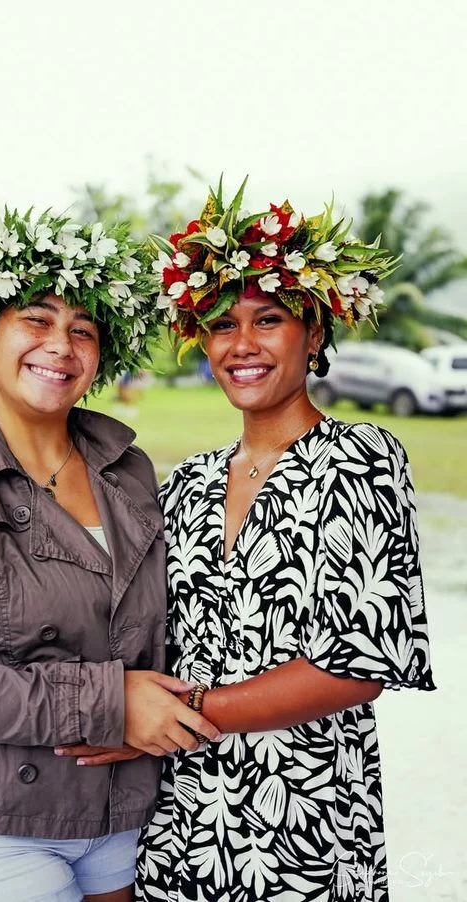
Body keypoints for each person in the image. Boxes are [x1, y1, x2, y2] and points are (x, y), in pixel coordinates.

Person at [63, 181, 435, 902]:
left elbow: (358, 665)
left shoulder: (362, 457)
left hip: (307, 824)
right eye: (223, 325)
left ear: (316, 332)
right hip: (180, 829)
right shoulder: (187, 484)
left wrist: (166, 716)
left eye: (268, 320)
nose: (241, 345)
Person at [0, 210, 219, 902]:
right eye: (37, 320)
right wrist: (108, 702)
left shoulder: (129, 471)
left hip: (120, 812)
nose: (61, 345)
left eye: (83, 330)